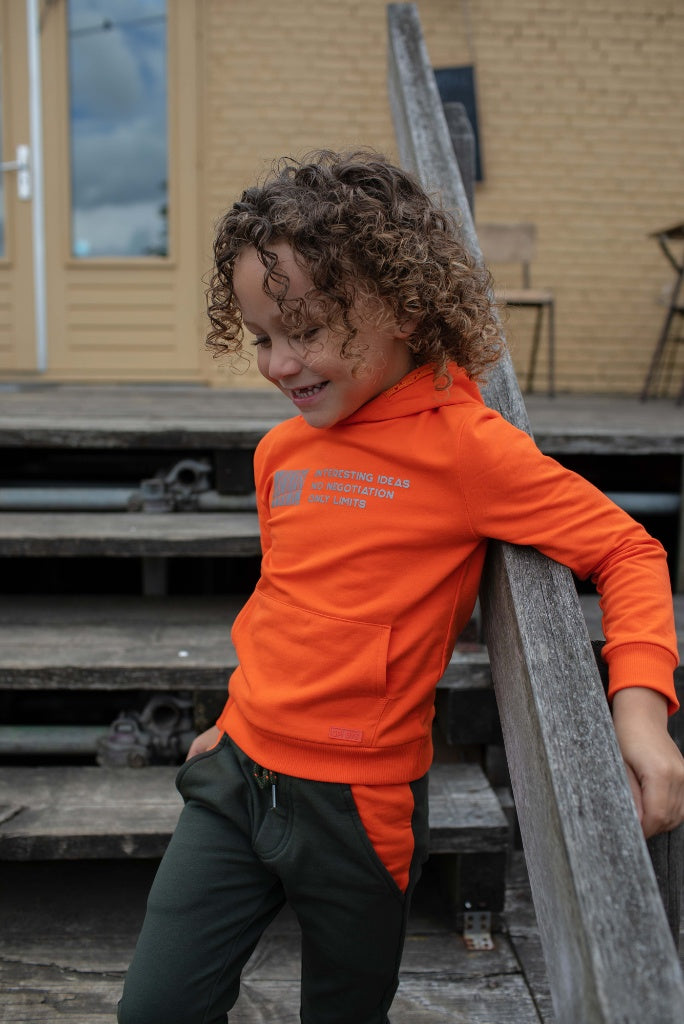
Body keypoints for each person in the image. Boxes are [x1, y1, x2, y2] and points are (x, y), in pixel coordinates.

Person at [118, 150, 684, 1024]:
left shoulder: (469, 448)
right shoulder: (281, 454)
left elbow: (628, 550)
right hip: (235, 779)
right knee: (154, 1010)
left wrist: (640, 710)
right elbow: (287, 602)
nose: (277, 365)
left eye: (302, 330)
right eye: (262, 337)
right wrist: (232, 720)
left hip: (361, 809)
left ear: (403, 305)